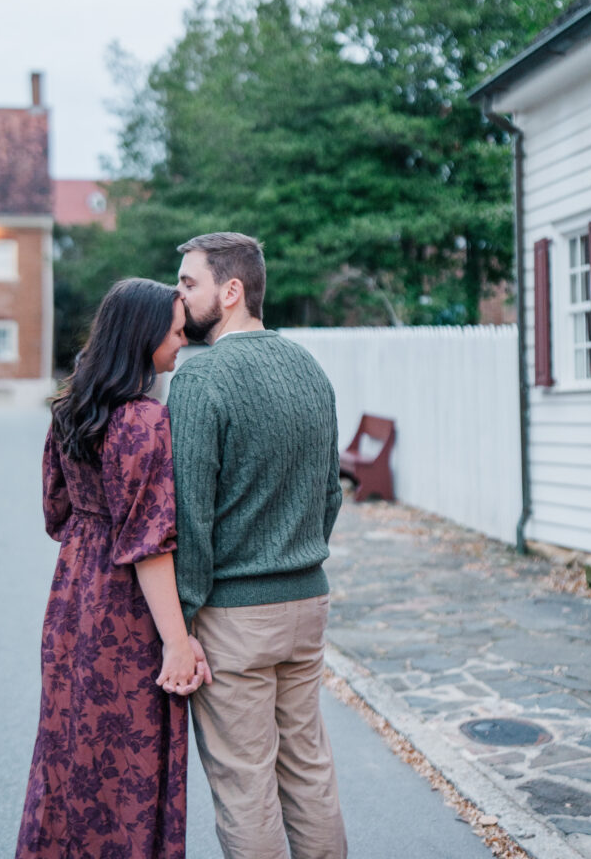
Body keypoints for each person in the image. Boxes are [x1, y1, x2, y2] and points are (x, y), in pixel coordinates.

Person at [15, 277, 210, 859]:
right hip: (126, 614)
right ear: (143, 335)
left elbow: (56, 512)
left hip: (71, 600)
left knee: (69, 752)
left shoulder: (70, 407)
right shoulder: (143, 419)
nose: (182, 342)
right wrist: (177, 642)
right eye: (176, 332)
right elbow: (149, 542)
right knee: (128, 762)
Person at [168, 232, 348, 859]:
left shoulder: (200, 379)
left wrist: (181, 623)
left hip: (234, 617)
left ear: (232, 290)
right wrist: (296, 558)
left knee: (245, 786)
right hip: (307, 604)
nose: (179, 296)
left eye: (189, 284)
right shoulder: (310, 369)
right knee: (308, 771)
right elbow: (330, 495)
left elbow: (190, 519)